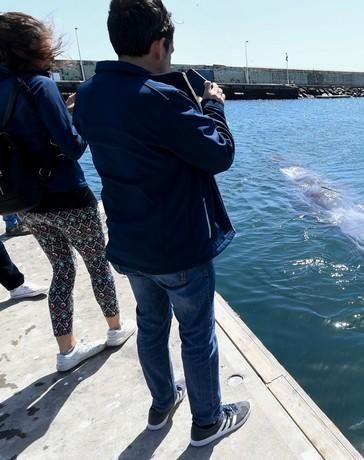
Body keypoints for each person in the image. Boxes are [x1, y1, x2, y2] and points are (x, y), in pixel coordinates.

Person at [73, 0, 249, 447]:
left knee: (151, 324)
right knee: (196, 332)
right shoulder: (163, 99)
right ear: (159, 44)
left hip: (130, 241)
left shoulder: (90, 95)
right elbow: (218, 154)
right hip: (177, 244)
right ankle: (207, 421)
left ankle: (161, 403)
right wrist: (213, 106)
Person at [0, 12, 135, 372]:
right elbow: (73, 147)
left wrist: (62, 110)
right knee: (97, 265)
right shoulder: (39, 85)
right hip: (66, 195)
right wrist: (75, 114)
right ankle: (115, 329)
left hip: (26, 201)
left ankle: (66, 351)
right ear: (32, 45)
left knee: (61, 271)